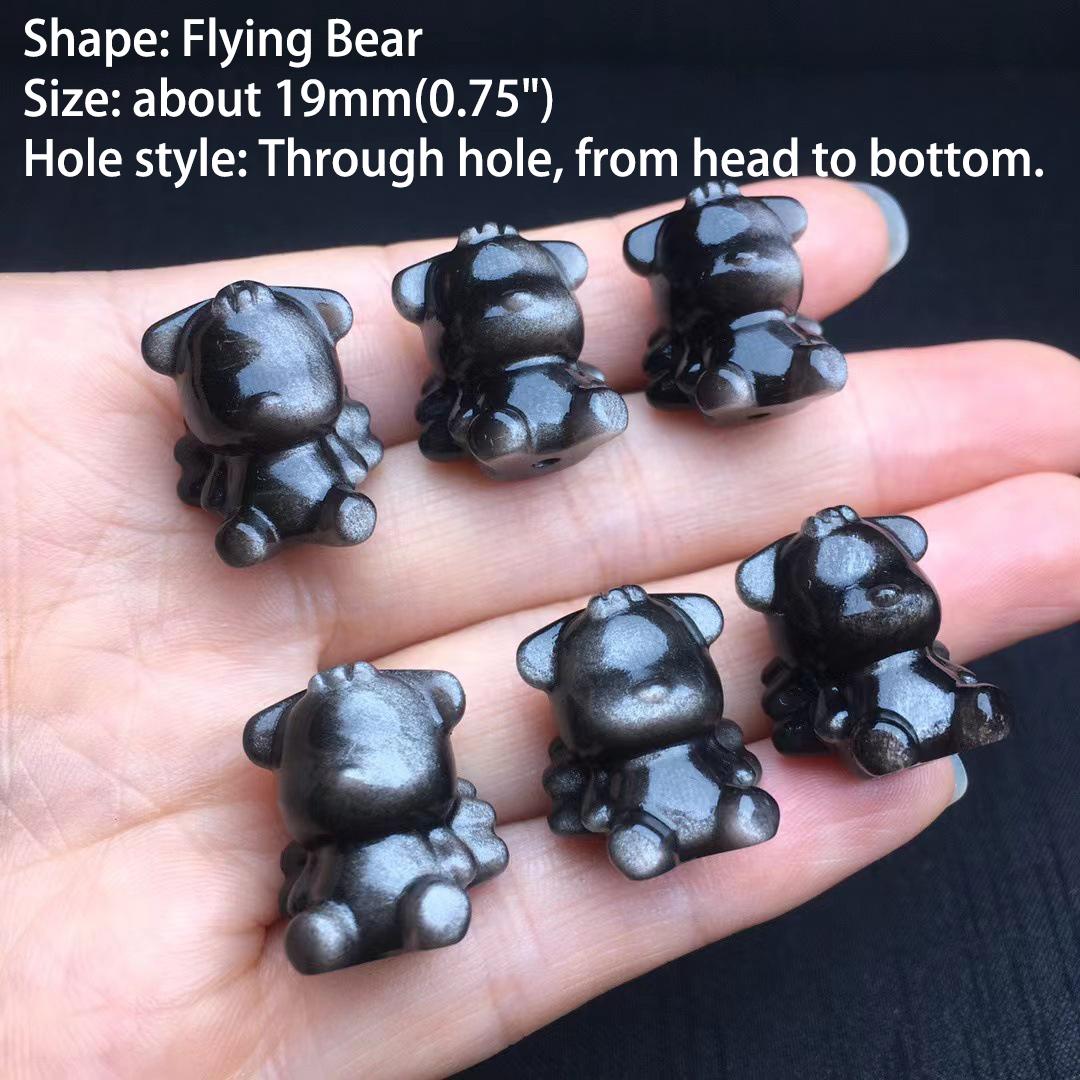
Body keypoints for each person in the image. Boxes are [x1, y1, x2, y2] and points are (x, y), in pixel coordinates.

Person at [2, 178, 1078, 1077]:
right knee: (385, 878)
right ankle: (377, 912)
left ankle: (727, 801)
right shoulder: (371, 743)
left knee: (733, 775)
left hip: (601, 504)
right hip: (404, 501)